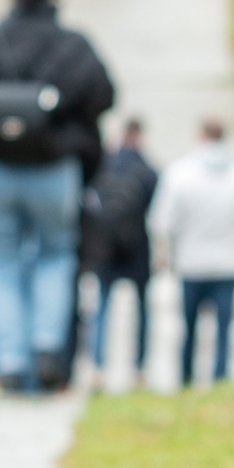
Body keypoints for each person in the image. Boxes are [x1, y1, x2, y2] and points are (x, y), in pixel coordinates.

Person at [0, 0, 115, 394]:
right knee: (55, 257)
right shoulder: (73, 47)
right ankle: (46, 345)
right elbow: (105, 95)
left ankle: (7, 359)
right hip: (54, 172)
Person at [149, 118, 234, 387]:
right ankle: (220, 378)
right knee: (224, 329)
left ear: (200, 136)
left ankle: (185, 377)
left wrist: (170, 248)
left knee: (188, 327)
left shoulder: (180, 174)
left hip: (190, 263)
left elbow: (162, 222)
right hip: (229, 263)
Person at [88, 119, 158, 379]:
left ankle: (98, 365)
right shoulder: (147, 169)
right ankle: (139, 366)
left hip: (105, 246)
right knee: (142, 308)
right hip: (137, 246)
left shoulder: (105, 165)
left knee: (102, 305)